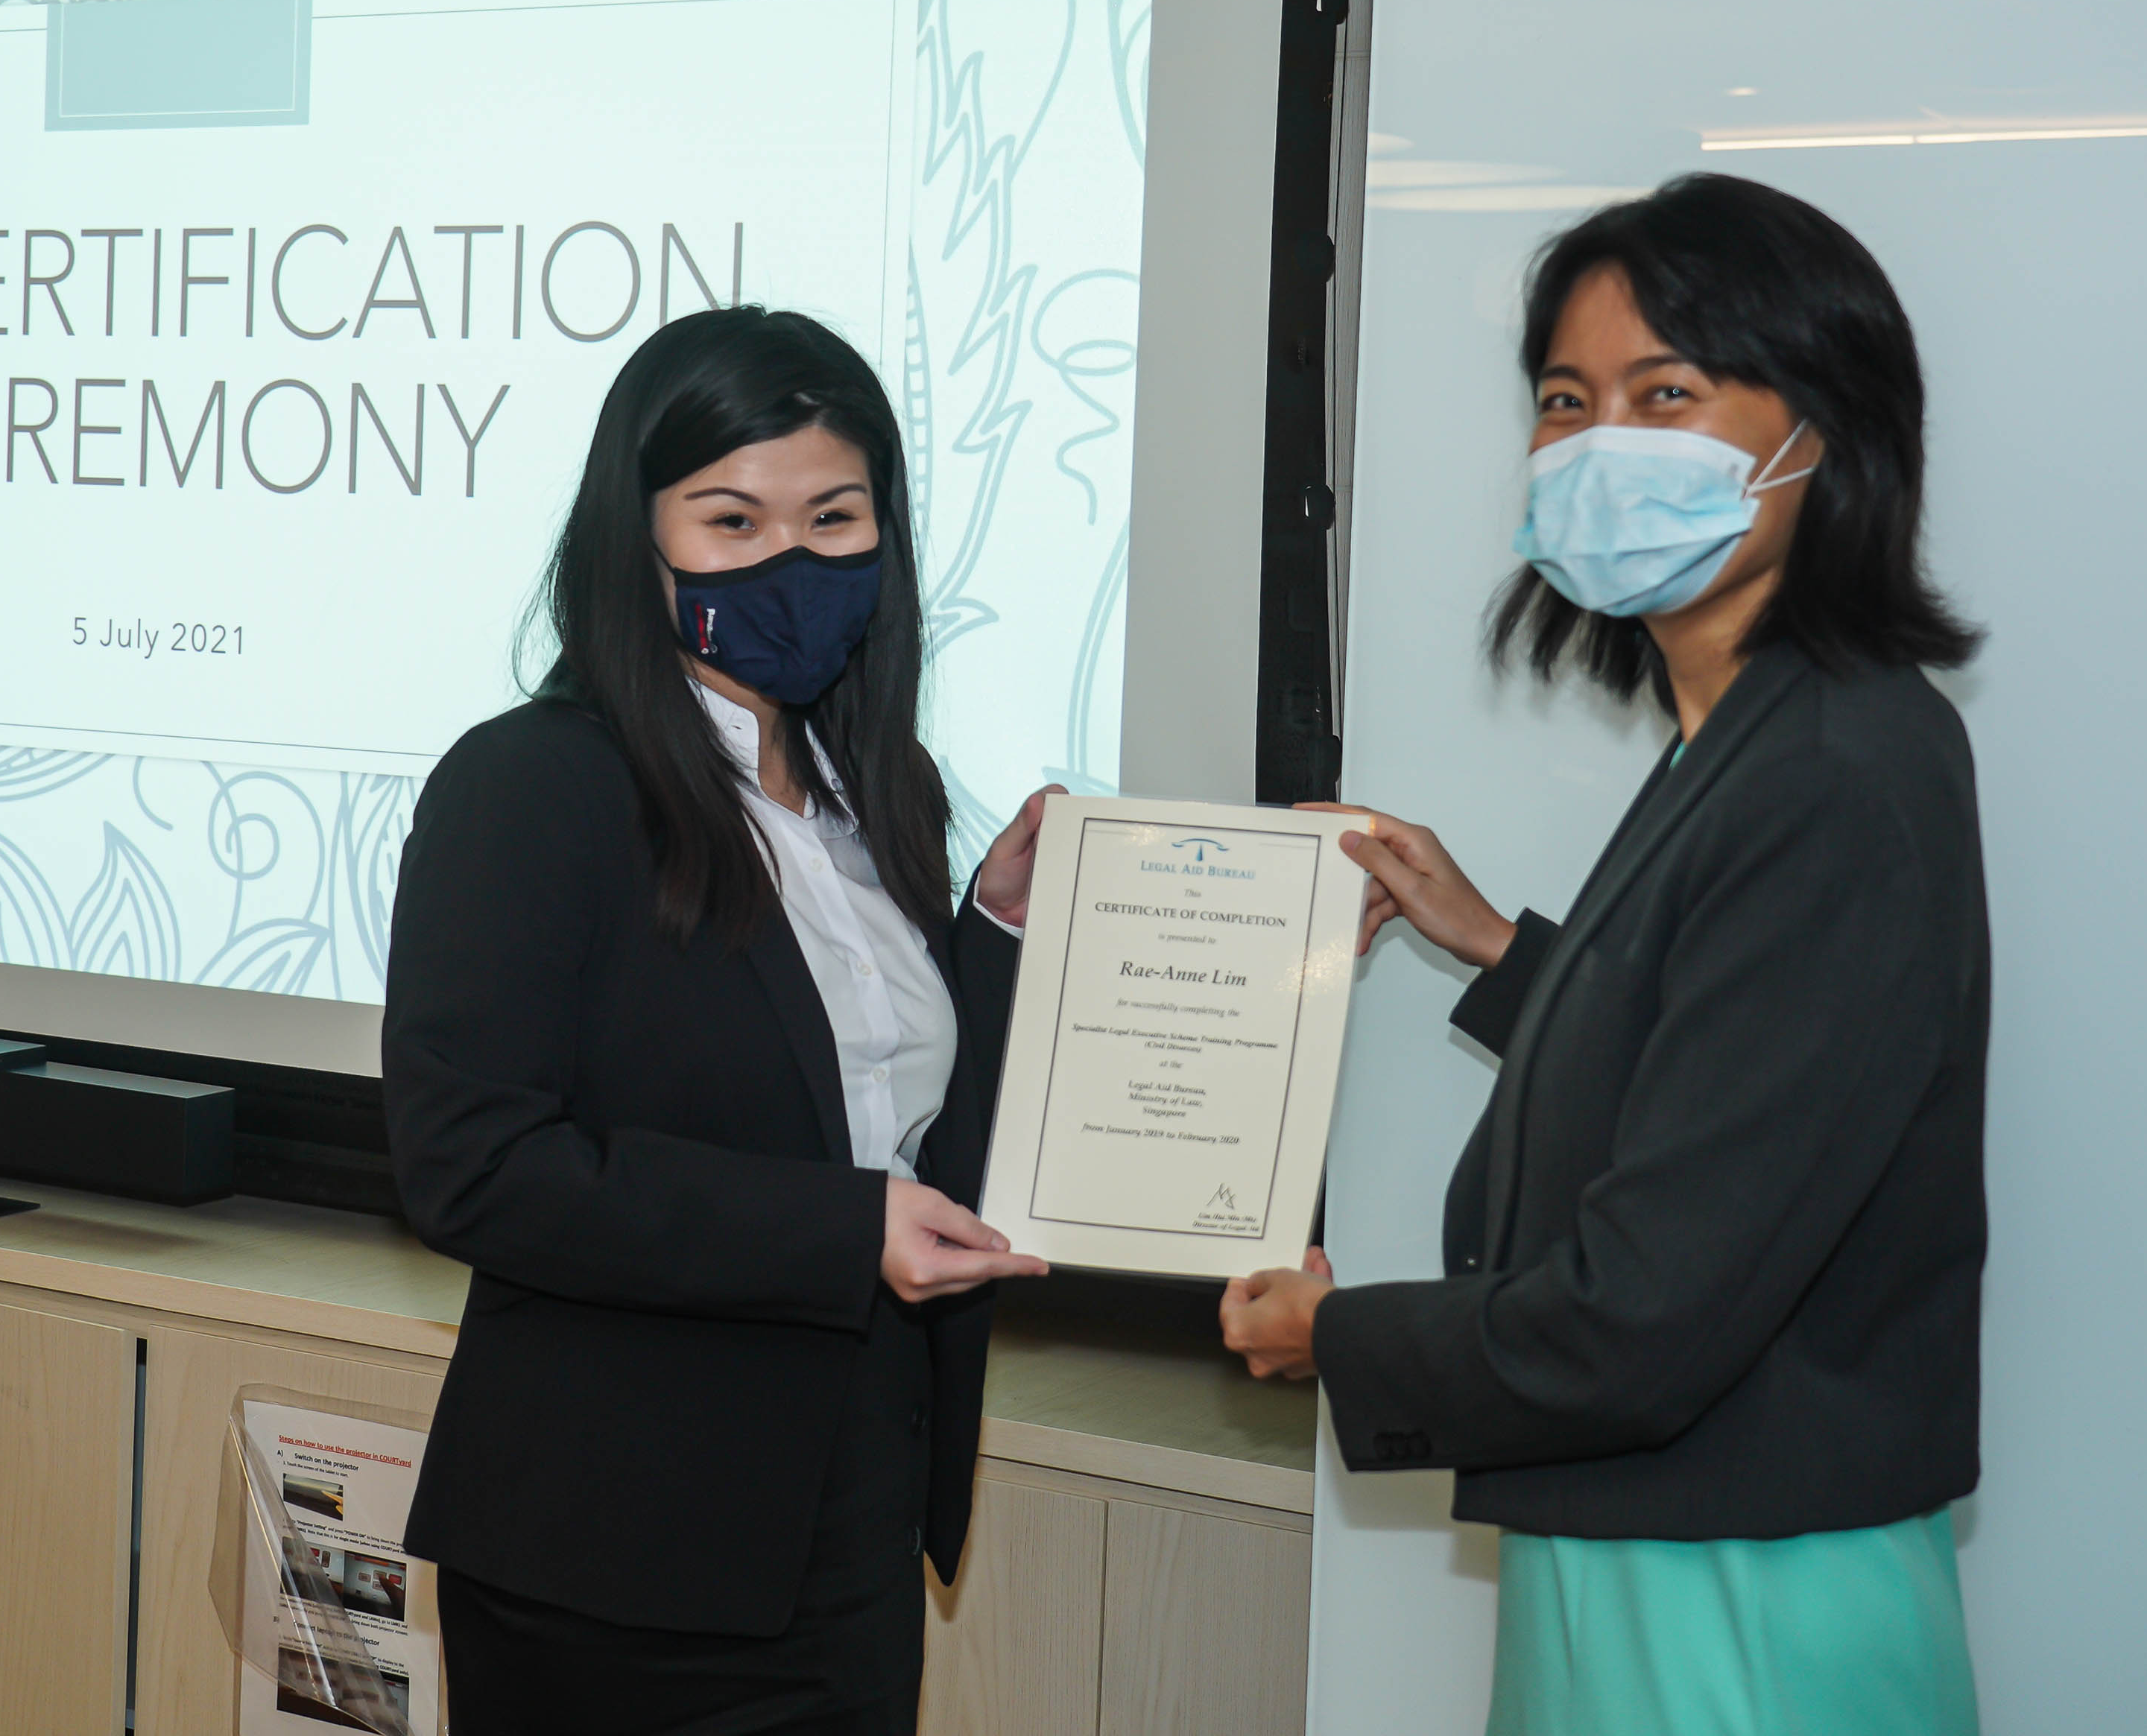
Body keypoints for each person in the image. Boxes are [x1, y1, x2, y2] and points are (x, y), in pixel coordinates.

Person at [1220, 174, 1991, 1735]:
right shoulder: (1750, 735)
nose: (1596, 445)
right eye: (1566, 402)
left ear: (1820, 432)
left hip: (1741, 1594)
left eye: (1667, 394)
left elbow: (1653, 1307)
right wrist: (1502, 950)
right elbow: (1729, 1056)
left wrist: (1339, 1334)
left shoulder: (1835, 766)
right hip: (1655, 1537)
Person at [382, 305, 1058, 1736]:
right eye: (732, 519)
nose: (790, 562)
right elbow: (474, 1164)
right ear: (640, 535)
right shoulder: (532, 787)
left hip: (853, 1525)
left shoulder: (888, 791)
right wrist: (842, 1230)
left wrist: (992, 936)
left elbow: (886, 1121)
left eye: (834, 516)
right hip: (619, 1563)